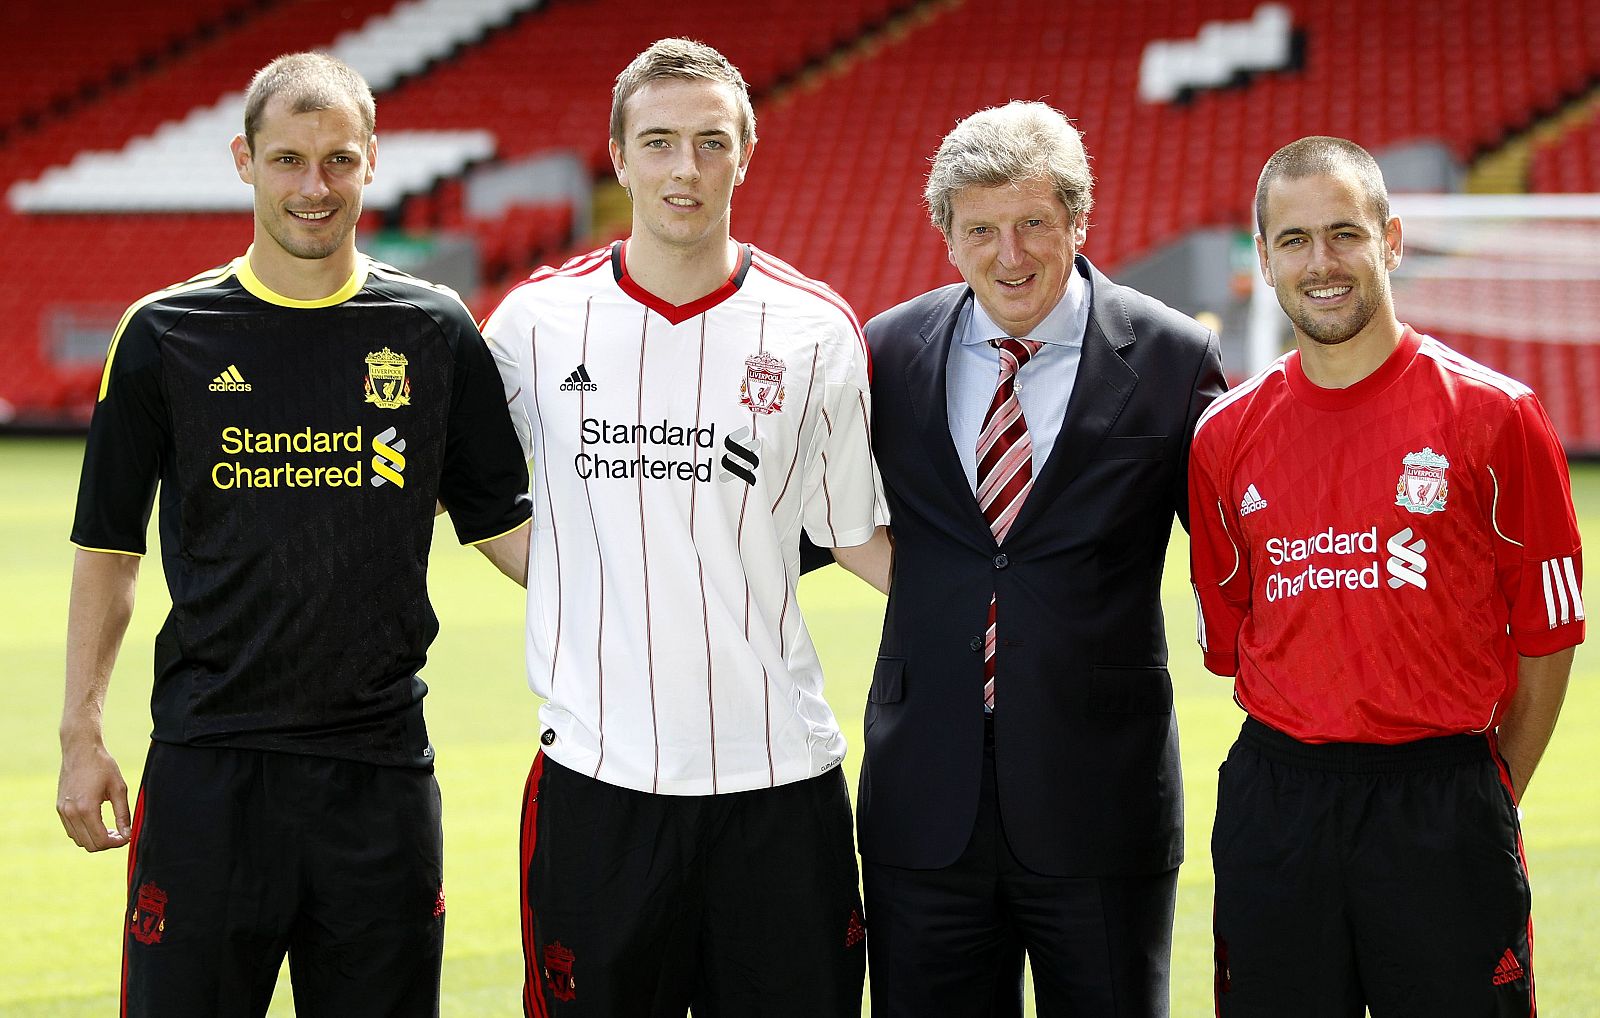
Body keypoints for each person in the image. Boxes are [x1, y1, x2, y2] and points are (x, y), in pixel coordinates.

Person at [57, 52, 531, 1017]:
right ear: (244, 160)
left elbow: (507, 531)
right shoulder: (163, 333)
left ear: (371, 164)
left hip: (380, 775)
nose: (313, 188)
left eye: (337, 161)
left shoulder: (435, 331)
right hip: (206, 769)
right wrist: (80, 732)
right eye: (287, 160)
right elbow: (109, 549)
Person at [480, 37, 890, 1018]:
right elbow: (473, 496)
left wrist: (1015, 611)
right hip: (598, 782)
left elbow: (854, 534)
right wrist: (574, 577)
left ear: (744, 153)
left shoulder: (813, 328)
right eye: (658, 142)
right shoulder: (536, 322)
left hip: (777, 783)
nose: (685, 168)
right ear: (619, 156)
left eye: (710, 142)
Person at [1189, 136, 1583, 1016]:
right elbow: (1236, 631)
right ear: (1263, 257)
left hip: (1443, 803)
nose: (1320, 263)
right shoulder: (1225, 438)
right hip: (1279, 805)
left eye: (1344, 233)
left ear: (1391, 241)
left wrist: (1485, 789)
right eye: (1292, 240)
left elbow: (1549, 637)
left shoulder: (1497, 418)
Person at [855, 100, 1225, 1017]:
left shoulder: (1175, 357)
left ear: (1078, 220)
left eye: (1033, 225)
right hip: (923, 800)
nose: (1009, 255)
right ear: (947, 236)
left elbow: (1241, 549)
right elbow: (811, 520)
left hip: (1101, 801)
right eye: (981, 229)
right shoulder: (885, 352)